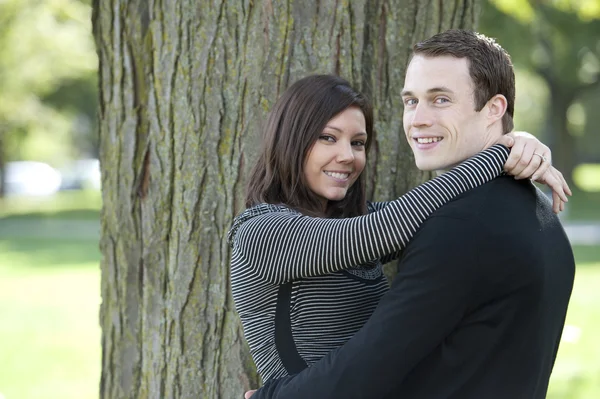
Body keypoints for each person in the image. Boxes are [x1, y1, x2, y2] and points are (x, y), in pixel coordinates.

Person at [246, 30, 575, 399]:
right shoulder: (260, 230)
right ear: (291, 140)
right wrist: (502, 151)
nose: (347, 155)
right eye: (327, 137)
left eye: (357, 143)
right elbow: (384, 227)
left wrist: (515, 143)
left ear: (494, 109)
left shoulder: (451, 224)